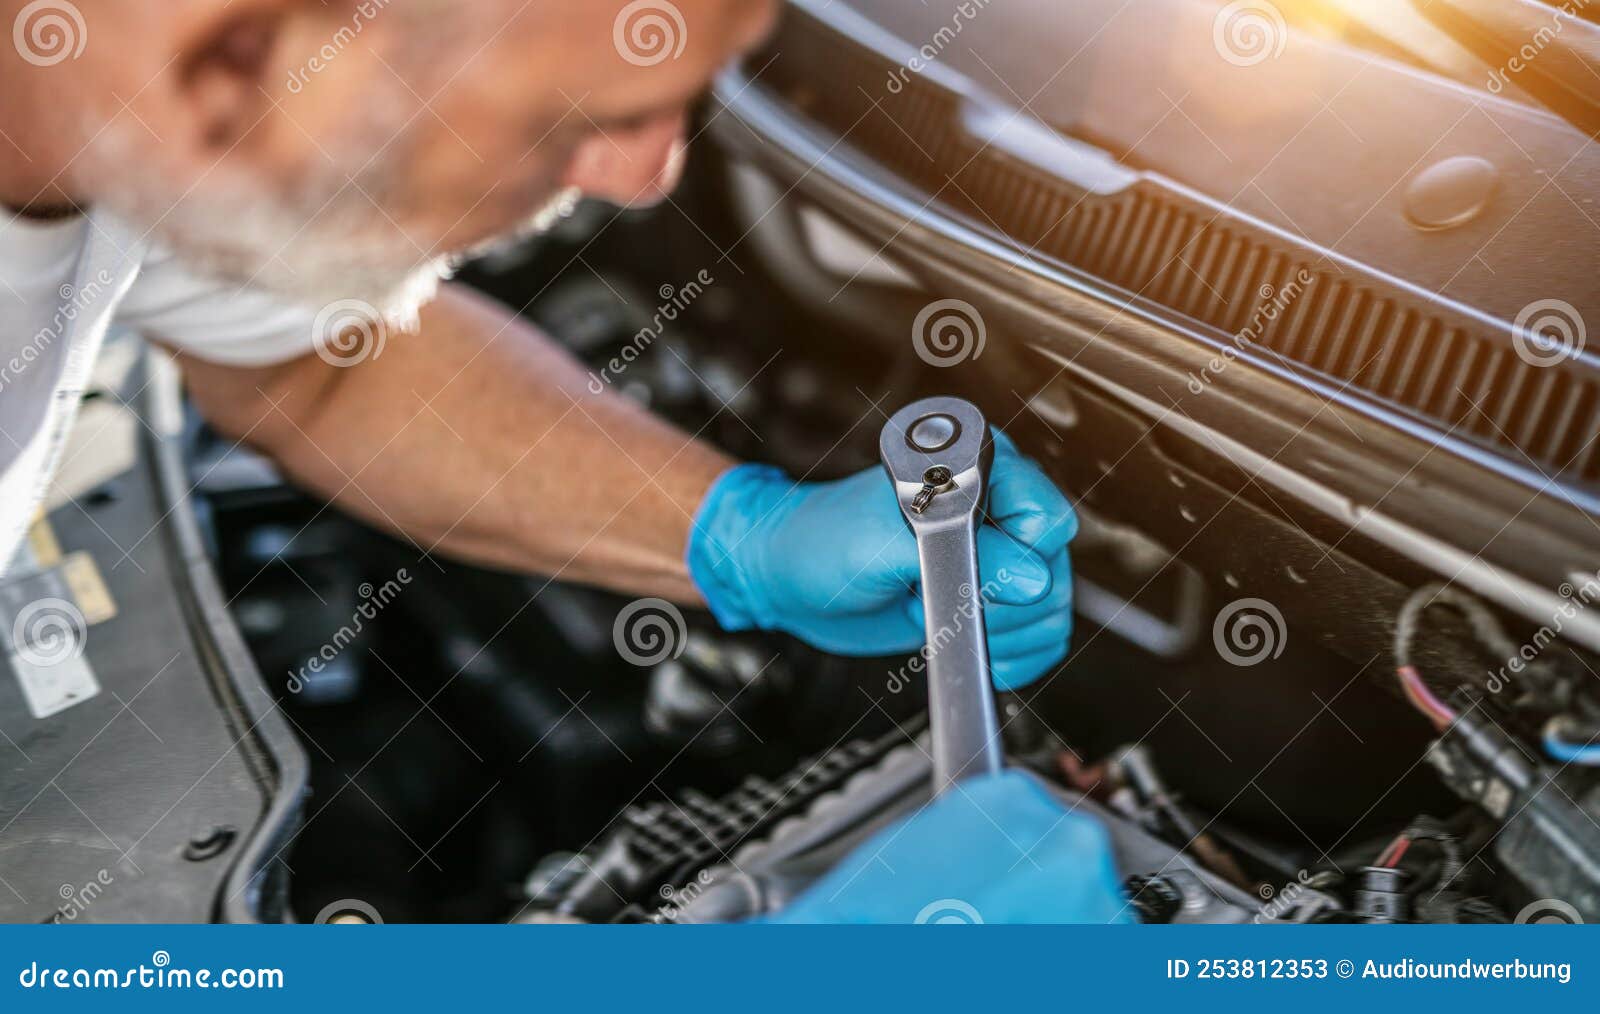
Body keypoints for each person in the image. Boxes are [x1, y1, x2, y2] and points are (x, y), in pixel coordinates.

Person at [0, 0, 1123, 921]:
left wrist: (742, 534)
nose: (646, 176)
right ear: (238, 56)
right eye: (577, 119)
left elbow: (317, 366)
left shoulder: (126, 98)